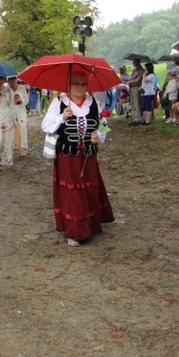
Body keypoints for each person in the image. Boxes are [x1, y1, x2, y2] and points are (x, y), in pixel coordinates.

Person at [41, 70, 114, 246]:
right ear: (69, 85)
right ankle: (75, 231)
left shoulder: (93, 102)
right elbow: (45, 126)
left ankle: (90, 225)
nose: (80, 88)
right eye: (76, 84)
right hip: (67, 154)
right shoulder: (59, 102)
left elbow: (103, 126)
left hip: (88, 154)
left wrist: (98, 135)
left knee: (89, 189)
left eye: (83, 84)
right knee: (72, 191)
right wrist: (62, 117)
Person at [8, 76, 29, 156]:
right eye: (10, 82)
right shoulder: (8, 90)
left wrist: (21, 100)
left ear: (16, 81)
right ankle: (14, 146)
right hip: (11, 111)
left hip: (21, 111)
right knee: (13, 129)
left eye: (14, 82)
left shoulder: (21, 88)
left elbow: (26, 100)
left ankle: (22, 147)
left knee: (22, 128)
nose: (12, 84)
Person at [127, 58, 144, 125]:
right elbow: (130, 78)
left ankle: (138, 119)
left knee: (136, 104)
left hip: (136, 87)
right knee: (132, 104)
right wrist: (133, 77)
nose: (133, 63)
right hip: (131, 88)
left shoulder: (141, 70)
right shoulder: (134, 71)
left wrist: (130, 81)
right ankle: (134, 119)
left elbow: (137, 80)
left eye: (134, 61)